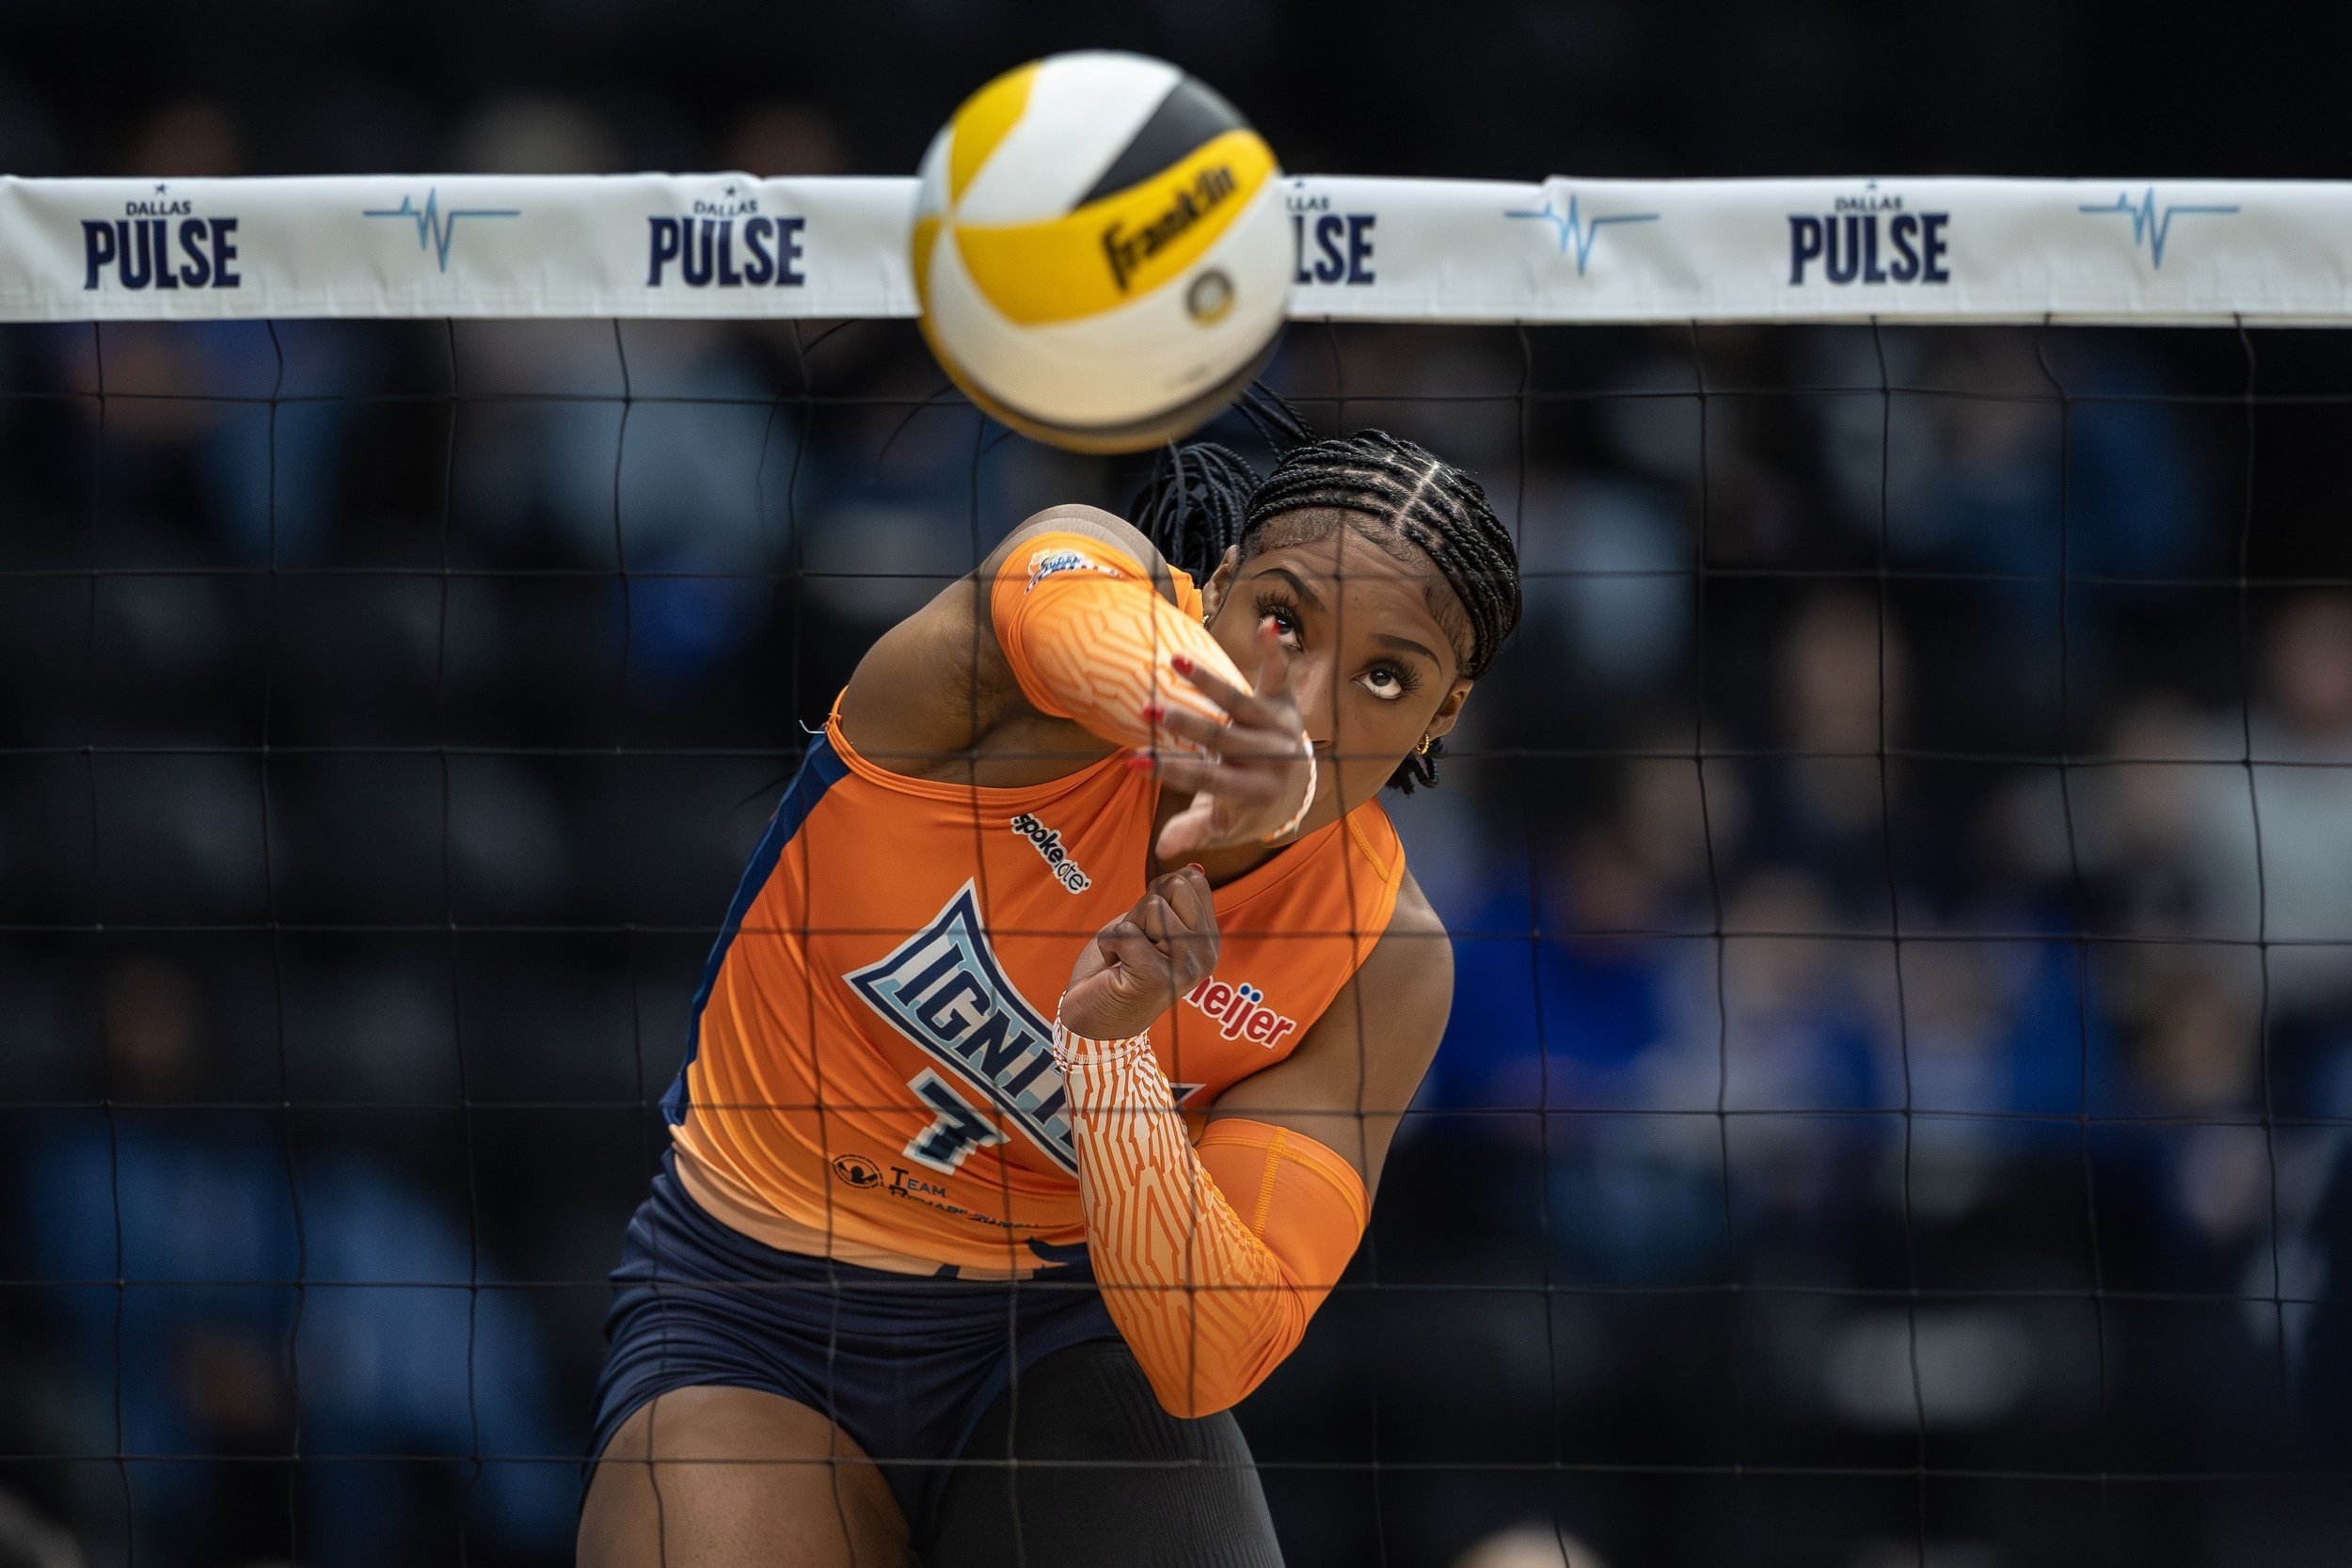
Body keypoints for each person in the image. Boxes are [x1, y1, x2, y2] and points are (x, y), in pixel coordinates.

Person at [577, 421, 1523, 1568]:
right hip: (753, 1303)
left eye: (1388, 676)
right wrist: (1217, 724)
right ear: (1210, 586)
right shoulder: (1033, 658)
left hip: (1057, 1346)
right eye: (1281, 617)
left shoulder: (1382, 951)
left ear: (1444, 715)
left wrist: (1112, 1053)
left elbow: (1203, 1351)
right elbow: (1058, 599)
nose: (1311, 700)